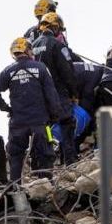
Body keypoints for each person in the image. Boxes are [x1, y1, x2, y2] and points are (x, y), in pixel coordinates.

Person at [0, 38, 64, 181]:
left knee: (15, 156)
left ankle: (15, 187)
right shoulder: (40, 67)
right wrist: (55, 114)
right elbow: (51, 94)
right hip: (40, 122)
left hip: (18, 123)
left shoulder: (8, 71)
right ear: (28, 50)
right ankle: (45, 185)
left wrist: (6, 108)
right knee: (45, 154)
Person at [32, 12, 78, 164]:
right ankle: (69, 161)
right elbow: (67, 71)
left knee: (43, 128)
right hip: (58, 92)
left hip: (39, 95)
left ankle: (38, 163)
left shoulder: (33, 46)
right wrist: (74, 93)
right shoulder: (57, 45)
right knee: (67, 124)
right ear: (56, 26)